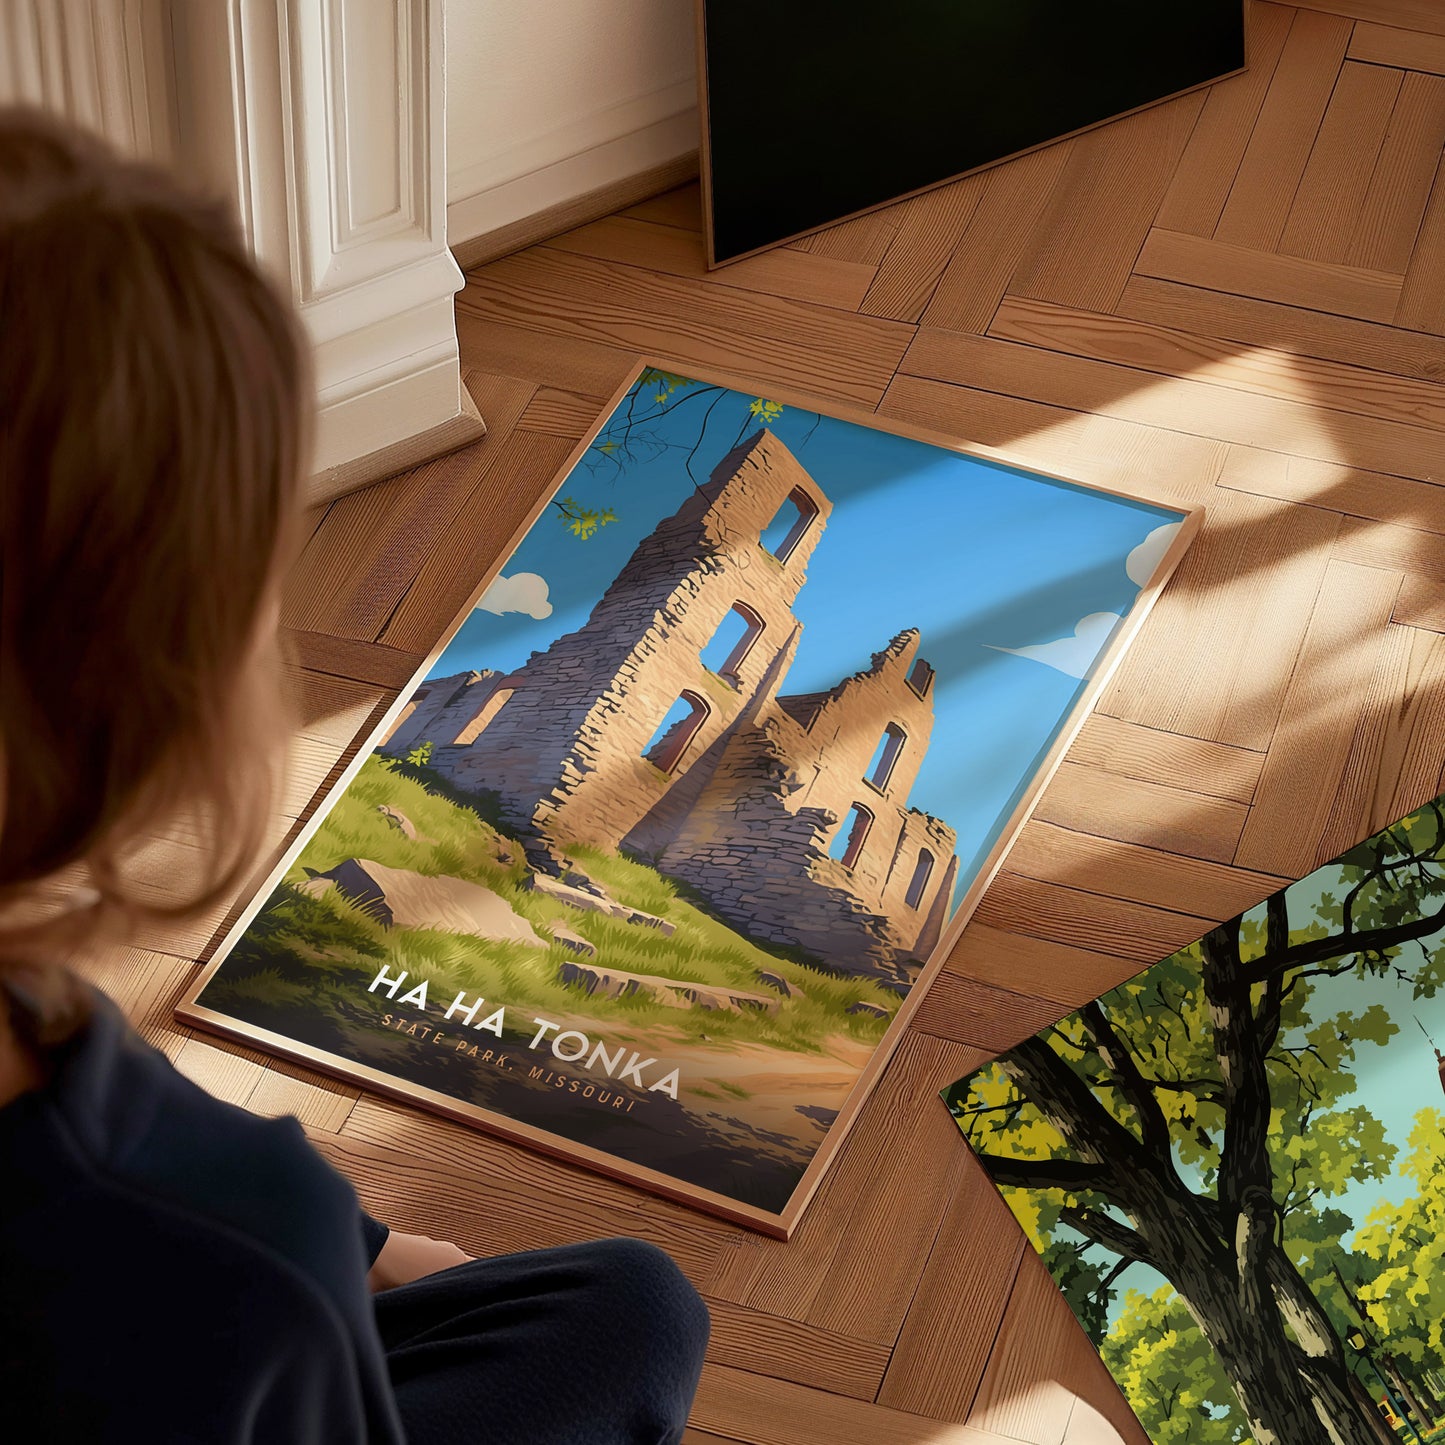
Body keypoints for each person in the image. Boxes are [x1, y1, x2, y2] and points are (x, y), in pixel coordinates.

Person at [0, 107, 710, 1443]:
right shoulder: (231, 1258)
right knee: (631, 1314)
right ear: (160, 689)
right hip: (191, 1345)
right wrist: (320, 1252)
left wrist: (356, 1237)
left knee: (621, 1307)